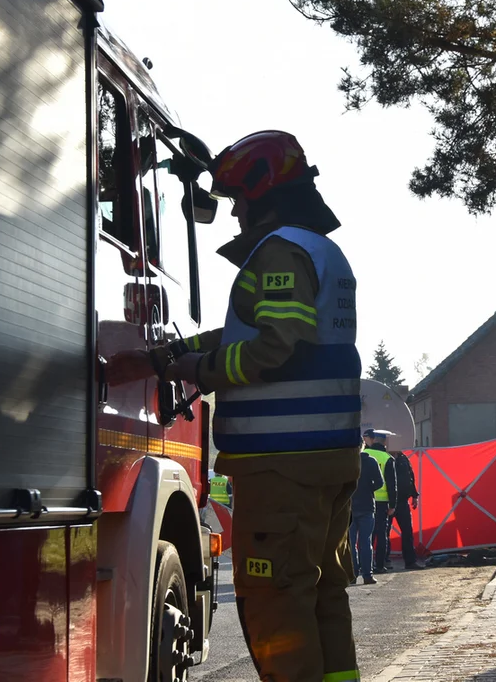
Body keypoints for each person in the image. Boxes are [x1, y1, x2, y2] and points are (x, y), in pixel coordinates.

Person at [106, 130, 362, 682]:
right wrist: (165, 355)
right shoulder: (321, 251)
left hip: (282, 465)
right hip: (325, 460)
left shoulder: (281, 251)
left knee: (276, 603)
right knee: (321, 598)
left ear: (261, 193)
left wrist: (188, 370)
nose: (234, 214)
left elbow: (274, 345)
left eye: (237, 201)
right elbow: (250, 330)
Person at [362, 429, 397, 574]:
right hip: (382, 502)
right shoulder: (388, 458)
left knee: (367, 534)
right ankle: (380, 565)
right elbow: (391, 484)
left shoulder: (365, 455)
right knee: (382, 534)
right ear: (384, 442)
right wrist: (392, 505)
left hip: (366, 499)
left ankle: (366, 566)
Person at [351, 440, 383, 584]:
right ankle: (367, 575)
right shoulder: (371, 462)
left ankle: (352, 574)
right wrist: (369, 489)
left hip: (349, 507)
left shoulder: (347, 462)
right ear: (363, 446)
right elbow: (380, 482)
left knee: (350, 544)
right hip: (367, 506)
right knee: (366, 542)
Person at [390, 448, 425, 570]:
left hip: (402, 501)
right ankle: (383, 562)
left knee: (408, 532)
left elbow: (410, 477)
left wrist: (414, 495)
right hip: (388, 501)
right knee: (383, 533)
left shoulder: (403, 458)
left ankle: (410, 561)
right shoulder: (386, 458)